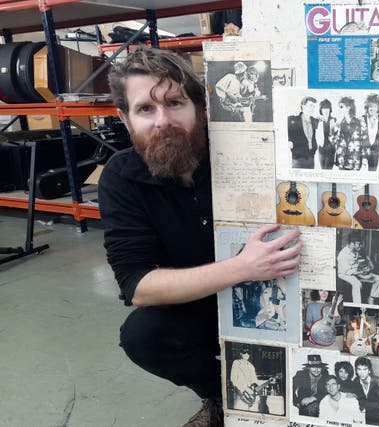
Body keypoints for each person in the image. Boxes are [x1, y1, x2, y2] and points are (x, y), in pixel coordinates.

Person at [100, 48, 302, 427]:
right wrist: (242, 267)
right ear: (125, 119)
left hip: (281, 287)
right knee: (143, 335)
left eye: (174, 103)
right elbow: (138, 285)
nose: (164, 121)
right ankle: (222, 395)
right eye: (146, 109)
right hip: (198, 303)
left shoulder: (246, 150)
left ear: (200, 107)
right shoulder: (120, 177)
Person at [336, 233, 379, 304]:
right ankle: (357, 304)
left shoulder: (358, 250)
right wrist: (362, 272)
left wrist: (368, 267)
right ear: (352, 243)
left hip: (358, 272)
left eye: (360, 244)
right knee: (357, 284)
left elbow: (370, 265)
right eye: (358, 244)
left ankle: (371, 298)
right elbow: (348, 272)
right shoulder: (343, 255)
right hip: (345, 274)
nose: (360, 246)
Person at [229, 345, 274, 412]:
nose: (246, 354)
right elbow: (233, 379)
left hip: (251, 396)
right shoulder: (236, 363)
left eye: (248, 352)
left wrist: (268, 381)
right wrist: (244, 389)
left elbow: (255, 381)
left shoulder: (251, 366)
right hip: (240, 395)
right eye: (244, 352)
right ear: (241, 353)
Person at [333, 96, 367, 171]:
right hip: (342, 161)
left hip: (355, 161)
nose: (339, 109)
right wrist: (333, 128)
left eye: (341, 107)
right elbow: (334, 141)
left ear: (348, 108)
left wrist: (365, 160)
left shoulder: (360, 123)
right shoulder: (340, 124)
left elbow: (365, 142)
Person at [353, 356, 379, 426]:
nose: (362, 373)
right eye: (359, 369)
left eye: (365, 369)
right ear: (356, 370)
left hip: (378, 417)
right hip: (362, 416)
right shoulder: (355, 381)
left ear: (369, 370)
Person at [288, 96, 319, 169]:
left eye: (314, 106)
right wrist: (289, 140)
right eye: (311, 105)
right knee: (298, 180)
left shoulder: (314, 120)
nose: (312, 108)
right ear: (303, 106)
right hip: (298, 159)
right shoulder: (293, 119)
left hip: (311, 158)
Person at [361, 93, 379, 171]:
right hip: (363, 151)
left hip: (376, 150)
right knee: (363, 172)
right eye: (370, 106)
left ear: (378, 107)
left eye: (375, 106)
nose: (372, 109)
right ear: (367, 107)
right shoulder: (362, 119)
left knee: (373, 171)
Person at [317, 99, 337, 169]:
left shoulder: (334, 120)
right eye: (324, 108)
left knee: (328, 170)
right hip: (321, 150)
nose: (326, 111)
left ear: (330, 110)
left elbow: (337, 135)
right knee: (323, 170)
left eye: (327, 108)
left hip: (330, 150)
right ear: (321, 110)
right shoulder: (318, 120)